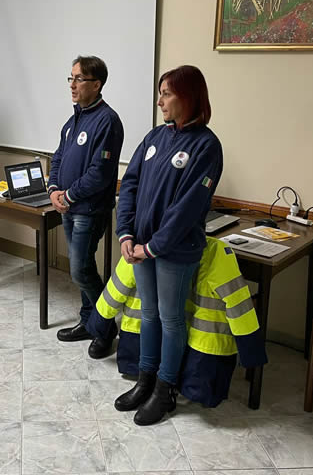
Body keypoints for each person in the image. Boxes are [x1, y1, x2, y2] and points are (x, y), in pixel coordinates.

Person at [114, 65, 223, 425]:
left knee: (171, 319)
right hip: (141, 247)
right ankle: (145, 380)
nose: (159, 101)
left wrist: (153, 246)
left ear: (188, 96)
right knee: (148, 313)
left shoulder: (206, 146)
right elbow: (130, 184)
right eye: (160, 93)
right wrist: (126, 233)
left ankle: (165, 390)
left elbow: (188, 207)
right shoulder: (155, 138)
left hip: (174, 251)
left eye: (166, 94)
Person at [48, 55, 124, 357]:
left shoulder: (107, 121)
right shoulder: (74, 120)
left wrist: (68, 196)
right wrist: (54, 189)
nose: (72, 85)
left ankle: (105, 327)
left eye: (79, 79)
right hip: (68, 207)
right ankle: (88, 321)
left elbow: (100, 174)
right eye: (71, 78)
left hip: (88, 210)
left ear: (97, 84)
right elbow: (58, 157)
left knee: (80, 271)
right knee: (83, 268)